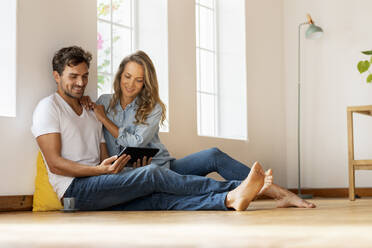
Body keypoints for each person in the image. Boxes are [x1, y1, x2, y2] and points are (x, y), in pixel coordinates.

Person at [31, 45, 273, 212]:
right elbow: (54, 164)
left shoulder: (92, 110)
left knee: (159, 199)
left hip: (101, 183)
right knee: (152, 175)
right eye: (73, 76)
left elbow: (104, 155)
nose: (81, 83)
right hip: (75, 192)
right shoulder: (48, 108)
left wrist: (113, 168)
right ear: (56, 76)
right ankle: (240, 187)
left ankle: (228, 200)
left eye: (84, 76)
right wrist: (99, 171)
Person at [84, 50, 315, 208]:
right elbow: (98, 127)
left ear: (146, 82)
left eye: (138, 80)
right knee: (188, 190)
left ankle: (281, 193)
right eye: (127, 76)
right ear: (119, 74)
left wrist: (104, 119)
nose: (130, 84)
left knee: (213, 154)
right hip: (139, 176)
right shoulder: (104, 101)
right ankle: (258, 190)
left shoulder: (151, 107)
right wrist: (89, 106)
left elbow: (134, 142)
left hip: (165, 166)